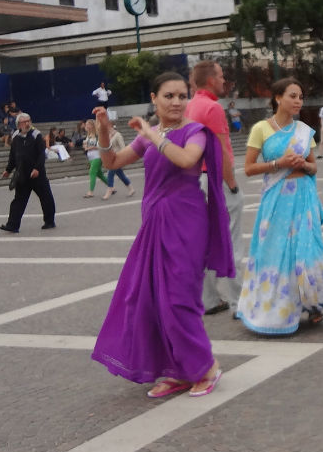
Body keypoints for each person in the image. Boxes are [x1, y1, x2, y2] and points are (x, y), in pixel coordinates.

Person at [91, 71, 233, 398]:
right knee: (152, 299)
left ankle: (206, 367)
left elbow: (186, 159)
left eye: (182, 95)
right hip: (155, 221)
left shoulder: (194, 131)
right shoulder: (149, 135)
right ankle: (177, 369)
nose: (177, 102)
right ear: (154, 99)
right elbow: (112, 162)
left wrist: (152, 135)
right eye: (168, 96)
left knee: (180, 297)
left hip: (186, 220)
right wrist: (103, 132)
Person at [237, 78, 323, 333]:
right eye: (293, 96)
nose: (298, 101)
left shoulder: (304, 131)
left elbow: (313, 165)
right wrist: (279, 163)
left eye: (300, 97)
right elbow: (249, 168)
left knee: (304, 251)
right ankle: (275, 307)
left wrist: (303, 165)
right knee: (275, 251)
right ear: (278, 98)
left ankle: (312, 302)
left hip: (303, 196)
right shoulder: (261, 129)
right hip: (276, 198)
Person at [185, 60, 244, 317]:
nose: (223, 80)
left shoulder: (189, 106)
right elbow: (220, 151)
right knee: (231, 243)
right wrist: (232, 185)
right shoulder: (212, 107)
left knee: (203, 243)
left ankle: (208, 299)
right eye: (220, 76)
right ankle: (240, 303)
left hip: (194, 180)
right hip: (215, 179)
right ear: (210, 80)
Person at [0, 113, 56, 232]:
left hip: (37, 174)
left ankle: (49, 221)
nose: (27, 123)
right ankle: (12, 225)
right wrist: (8, 170)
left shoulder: (36, 135)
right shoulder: (15, 137)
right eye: (24, 122)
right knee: (18, 200)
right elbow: (13, 156)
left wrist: (37, 169)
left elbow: (41, 154)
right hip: (22, 174)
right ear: (18, 124)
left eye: (28, 121)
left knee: (46, 198)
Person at [102, 119, 135, 198]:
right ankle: (131, 188)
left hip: (117, 158)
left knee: (110, 173)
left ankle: (109, 190)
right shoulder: (108, 135)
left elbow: (123, 147)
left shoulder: (118, 135)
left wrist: (121, 157)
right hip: (110, 158)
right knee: (121, 175)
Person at [82, 120, 111, 199]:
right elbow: (85, 146)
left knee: (92, 172)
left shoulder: (97, 135)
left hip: (97, 156)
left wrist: (91, 147)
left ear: (92, 126)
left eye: (88, 125)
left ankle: (90, 192)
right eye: (86, 125)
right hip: (90, 157)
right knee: (99, 174)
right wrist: (85, 146)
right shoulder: (88, 135)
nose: (86, 126)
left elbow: (101, 145)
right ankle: (111, 186)